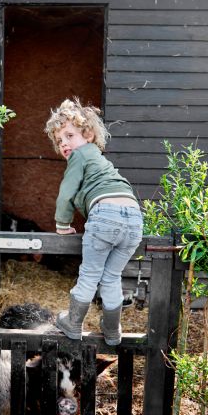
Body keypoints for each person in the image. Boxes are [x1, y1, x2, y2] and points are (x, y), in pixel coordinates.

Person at [45, 98, 143, 346]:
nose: (64, 143)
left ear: (88, 135)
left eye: (69, 135)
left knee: (89, 275)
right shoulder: (101, 161)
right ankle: (112, 330)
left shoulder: (80, 155)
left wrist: (62, 224)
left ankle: (73, 323)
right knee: (111, 277)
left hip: (106, 215)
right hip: (133, 218)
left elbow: (66, 192)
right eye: (59, 140)